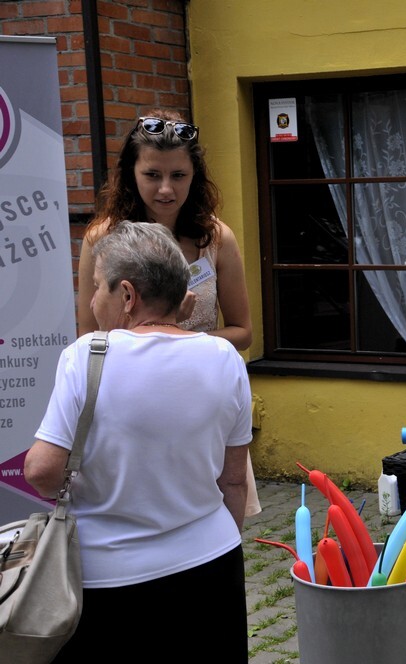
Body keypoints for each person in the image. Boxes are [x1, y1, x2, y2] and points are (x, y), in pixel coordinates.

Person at [25, 222, 252, 661]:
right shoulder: (224, 357)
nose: (93, 300)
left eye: (97, 287)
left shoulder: (86, 356)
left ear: (127, 295)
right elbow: (234, 480)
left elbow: (41, 471)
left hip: (109, 576)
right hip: (212, 560)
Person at [76, 109, 260, 516]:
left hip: (200, 401)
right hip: (129, 404)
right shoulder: (102, 239)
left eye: (178, 175)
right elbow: (88, 339)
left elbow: (243, 331)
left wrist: (183, 339)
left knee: (215, 514)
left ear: (195, 176)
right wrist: (160, 332)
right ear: (131, 174)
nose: (165, 189)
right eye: (152, 175)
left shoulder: (216, 238)